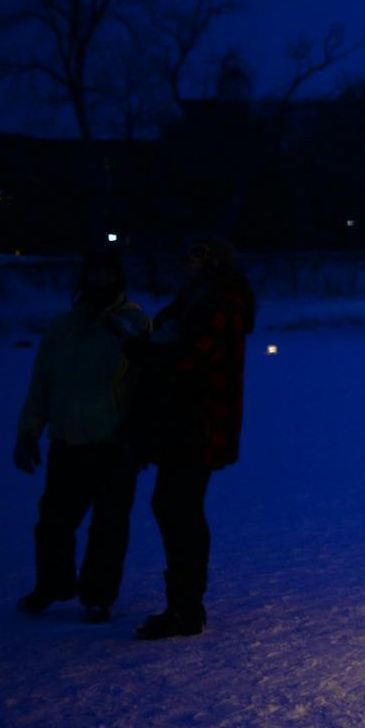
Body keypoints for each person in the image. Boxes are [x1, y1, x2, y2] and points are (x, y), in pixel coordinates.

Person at [123, 234, 257, 641]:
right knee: (174, 505)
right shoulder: (200, 296)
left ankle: (185, 606)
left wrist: (147, 354)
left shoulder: (222, 300)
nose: (184, 263)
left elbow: (195, 357)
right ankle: (183, 603)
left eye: (192, 256)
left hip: (200, 422)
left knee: (177, 505)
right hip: (186, 419)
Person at [13, 245, 152, 624]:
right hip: (68, 442)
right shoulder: (64, 327)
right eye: (92, 273)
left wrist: (138, 438)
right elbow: (42, 383)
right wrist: (29, 431)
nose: (98, 281)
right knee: (53, 522)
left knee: (108, 526)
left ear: (117, 278)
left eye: (106, 274)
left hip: (113, 444)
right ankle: (53, 585)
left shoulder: (135, 325)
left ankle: (98, 596)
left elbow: (149, 386)